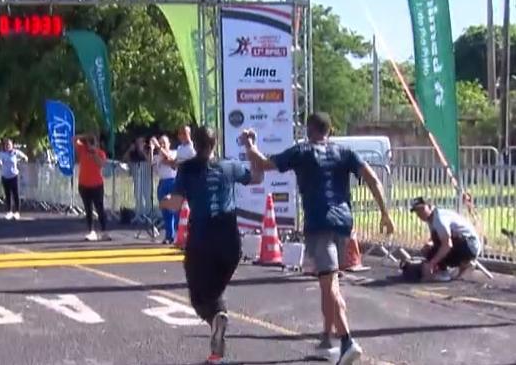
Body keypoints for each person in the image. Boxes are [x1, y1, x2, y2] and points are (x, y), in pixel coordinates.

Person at [244, 112, 394, 365]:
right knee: (328, 280)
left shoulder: (302, 151)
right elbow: (373, 179)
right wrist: (385, 213)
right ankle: (326, 337)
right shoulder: (344, 152)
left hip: (319, 222)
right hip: (344, 223)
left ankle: (347, 340)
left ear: (308, 129)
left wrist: (250, 145)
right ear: (330, 130)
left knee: (331, 283)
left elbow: (262, 164)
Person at [161, 126, 262, 364]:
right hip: (230, 242)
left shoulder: (187, 169)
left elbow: (175, 204)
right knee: (215, 291)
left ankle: (216, 318)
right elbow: (257, 177)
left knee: (200, 296)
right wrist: (251, 147)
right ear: (215, 144)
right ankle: (216, 352)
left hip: (201, 242)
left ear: (194, 144)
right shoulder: (229, 166)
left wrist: (163, 202)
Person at [411, 194, 482, 281]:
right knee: (430, 249)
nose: (419, 214)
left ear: (429, 206)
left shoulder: (439, 219)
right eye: (417, 211)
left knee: (435, 251)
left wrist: (431, 264)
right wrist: (430, 244)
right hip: (466, 243)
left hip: (470, 245)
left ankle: (451, 269)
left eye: (421, 209)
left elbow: (447, 245)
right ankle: (463, 265)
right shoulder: (432, 219)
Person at [75, 134, 109, 241]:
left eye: (93, 143)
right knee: (88, 209)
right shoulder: (82, 149)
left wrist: (94, 152)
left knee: (100, 208)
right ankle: (91, 231)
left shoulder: (100, 153)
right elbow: (74, 139)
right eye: (89, 143)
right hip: (84, 185)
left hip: (97, 185)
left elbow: (101, 164)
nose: (90, 145)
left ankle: (104, 232)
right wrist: (84, 136)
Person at [150, 135, 178, 244]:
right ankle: (168, 235)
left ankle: (176, 235)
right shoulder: (158, 157)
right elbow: (152, 165)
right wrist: (152, 150)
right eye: (160, 143)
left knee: (174, 210)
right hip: (162, 182)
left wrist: (160, 148)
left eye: (164, 143)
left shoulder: (174, 152)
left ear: (169, 144)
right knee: (165, 211)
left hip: (172, 181)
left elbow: (171, 161)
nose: (161, 145)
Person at [0, 138, 28, 220]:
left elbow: (25, 157)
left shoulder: (15, 152)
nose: (8, 146)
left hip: (14, 176)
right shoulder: (2, 154)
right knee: (7, 195)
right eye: (6, 145)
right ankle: (9, 212)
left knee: (15, 194)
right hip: (5, 176)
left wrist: (21, 160)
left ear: (12, 145)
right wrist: (0, 162)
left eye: (9, 145)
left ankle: (17, 212)